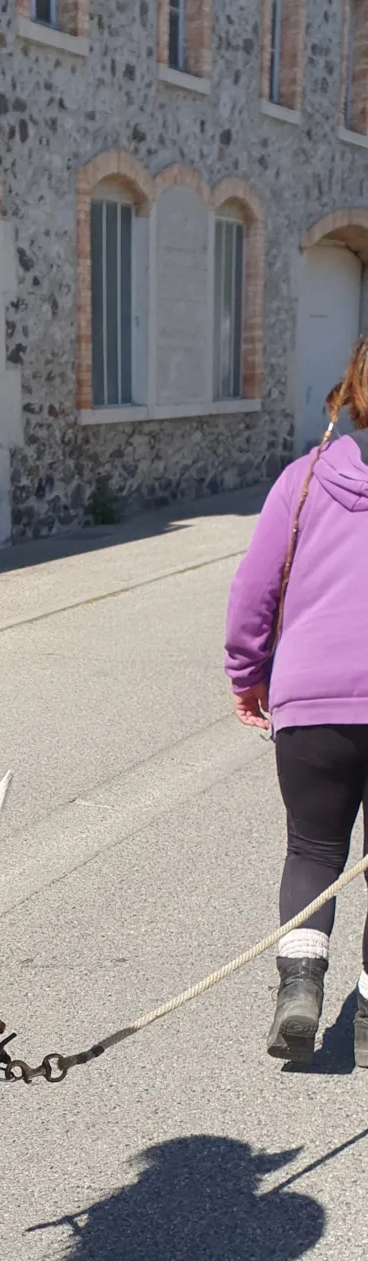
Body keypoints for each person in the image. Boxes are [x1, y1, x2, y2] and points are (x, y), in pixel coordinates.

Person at [224, 334, 368, 1067]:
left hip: (313, 699)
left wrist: (247, 671)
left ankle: (301, 985)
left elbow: (256, 588)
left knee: (313, 847)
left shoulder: (307, 479)